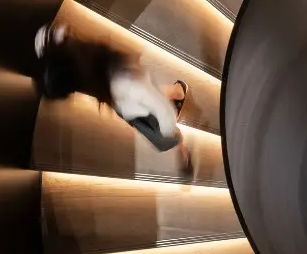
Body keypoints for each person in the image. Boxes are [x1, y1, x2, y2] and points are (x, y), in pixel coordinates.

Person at [34, 22, 193, 177]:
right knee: (154, 124)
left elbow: (156, 103)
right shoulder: (73, 58)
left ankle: (178, 91)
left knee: (160, 127)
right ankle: (176, 129)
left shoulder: (122, 81)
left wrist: (168, 123)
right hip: (121, 97)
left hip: (128, 92)